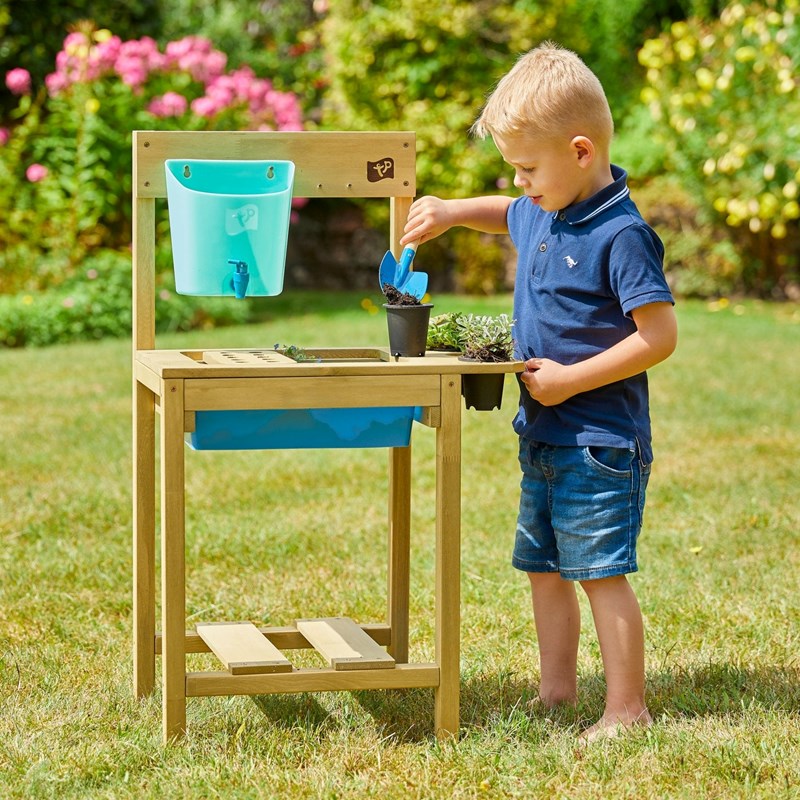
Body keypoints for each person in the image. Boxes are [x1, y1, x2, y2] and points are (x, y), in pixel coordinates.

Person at [400, 42, 677, 741]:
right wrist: (451, 211)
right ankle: (556, 694)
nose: (520, 183)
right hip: (545, 434)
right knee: (545, 570)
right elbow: (506, 212)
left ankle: (627, 709)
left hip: (600, 441)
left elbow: (659, 337)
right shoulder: (544, 208)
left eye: (528, 168)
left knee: (600, 572)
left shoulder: (622, 235)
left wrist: (569, 381)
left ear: (581, 152)